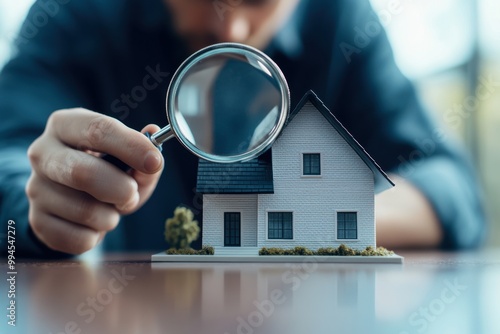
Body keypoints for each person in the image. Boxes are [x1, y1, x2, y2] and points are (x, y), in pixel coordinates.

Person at [0, 0, 486, 257]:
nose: (231, 30)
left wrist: (311, 224)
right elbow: (10, 157)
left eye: (259, 0)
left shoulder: (342, 21)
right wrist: (37, 205)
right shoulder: (74, 14)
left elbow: (452, 188)